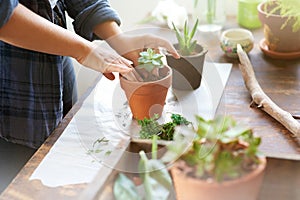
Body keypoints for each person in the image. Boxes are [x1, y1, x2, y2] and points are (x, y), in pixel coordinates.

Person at [0, 0, 180, 149]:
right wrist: (83, 50)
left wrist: (119, 39)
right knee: (24, 177)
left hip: (56, 59)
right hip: (14, 80)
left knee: (62, 150)